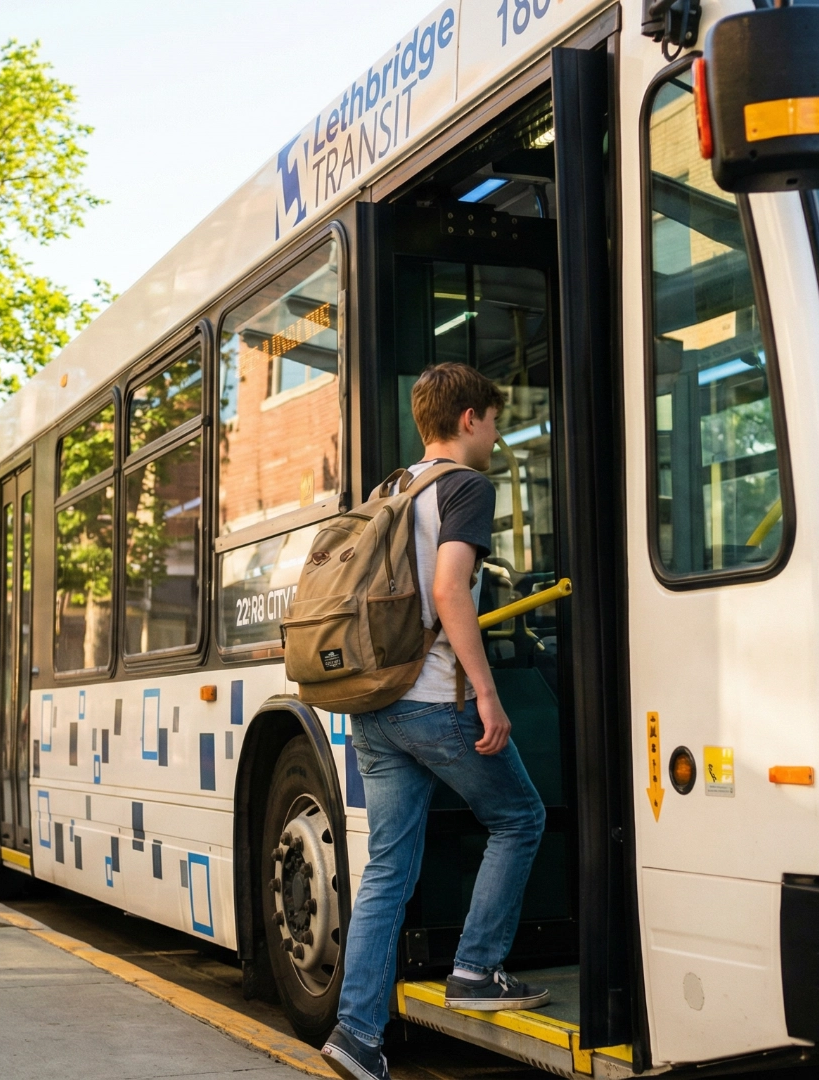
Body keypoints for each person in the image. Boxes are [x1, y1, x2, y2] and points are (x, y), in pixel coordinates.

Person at [321, 364, 549, 1080]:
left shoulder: (391, 488)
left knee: (387, 870)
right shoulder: (468, 487)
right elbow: (451, 587)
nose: (497, 433)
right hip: (433, 700)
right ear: (471, 418)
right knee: (520, 819)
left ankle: (357, 1036)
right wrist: (485, 691)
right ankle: (477, 969)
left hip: (375, 706)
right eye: (494, 420)